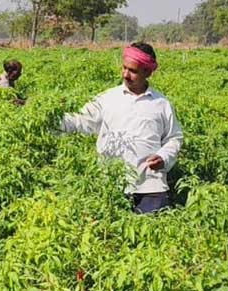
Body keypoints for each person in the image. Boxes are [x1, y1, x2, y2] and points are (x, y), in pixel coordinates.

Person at [60, 42, 183, 214]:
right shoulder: (107, 98)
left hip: (150, 187)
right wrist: (50, 117)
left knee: (151, 234)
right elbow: (80, 121)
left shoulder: (161, 104)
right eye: (124, 68)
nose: (125, 74)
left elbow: (174, 138)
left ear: (148, 72)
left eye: (132, 71)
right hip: (112, 184)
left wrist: (163, 157)